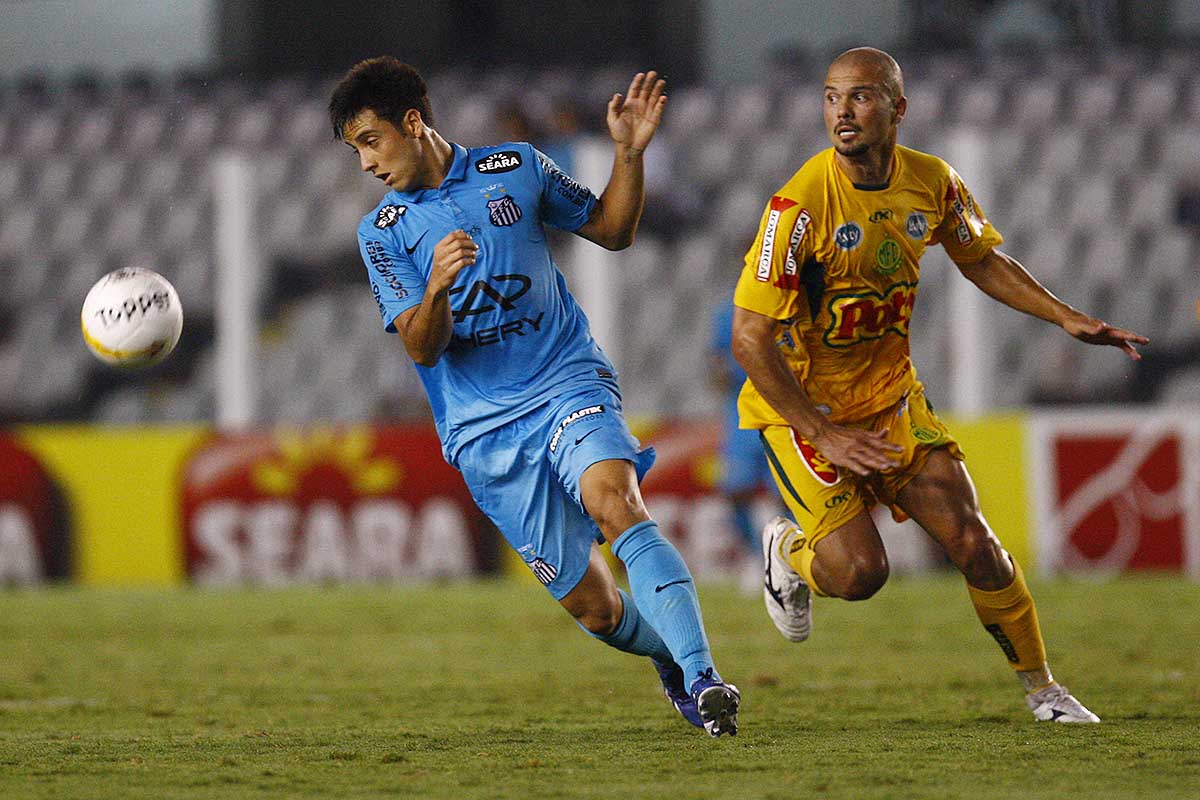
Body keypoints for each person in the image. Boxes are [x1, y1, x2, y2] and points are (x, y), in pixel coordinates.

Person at [731, 47, 1149, 723]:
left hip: (892, 401)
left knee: (974, 542)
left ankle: (1045, 692)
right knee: (860, 575)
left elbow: (979, 258)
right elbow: (748, 338)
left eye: (861, 96)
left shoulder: (932, 181)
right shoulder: (798, 206)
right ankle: (786, 552)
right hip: (807, 413)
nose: (843, 111)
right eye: (832, 96)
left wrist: (1064, 315)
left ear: (898, 108)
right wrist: (823, 432)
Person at [329, 57, 739, 737]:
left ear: (412, 122)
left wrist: (628, 155)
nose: (367, 163)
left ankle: (704, 678)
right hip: (483, 430)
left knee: (616, 502)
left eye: (371, 141)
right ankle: (669, 658)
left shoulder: (516, 168)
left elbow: (612, 230)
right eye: (356, 152)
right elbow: (422, 348)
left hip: (565, 382)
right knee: (596, 610)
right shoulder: (381, 233)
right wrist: (436, 287)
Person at [709, 297, 776, 590]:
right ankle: (753, 556)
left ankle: (787, 558)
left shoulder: (789, 304)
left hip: (782, 407)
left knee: (788, 493)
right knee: (736, 489)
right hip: (741, 409)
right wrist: (722, 372)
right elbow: (716, 362)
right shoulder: (730, 311)